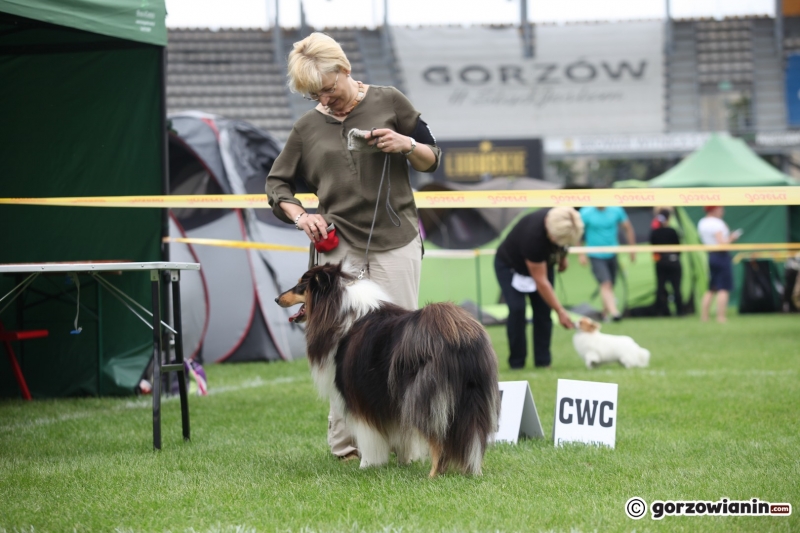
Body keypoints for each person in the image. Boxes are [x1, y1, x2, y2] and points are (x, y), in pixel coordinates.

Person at [265, 33, 441, 460]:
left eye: (328, 89)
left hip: (394, 242)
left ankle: (401, 446)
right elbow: (277, 184)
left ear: (344, 69)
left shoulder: (390, 100)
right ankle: (345, 447)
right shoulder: (307, 127)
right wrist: (300, 214)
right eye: (314, 95)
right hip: (337, 249)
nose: (324, 100)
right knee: (339, 349)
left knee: (398, 346)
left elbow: (433, 156)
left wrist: (407, 145)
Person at [494, 207, 585, 369]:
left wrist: (563, 258)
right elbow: (541, 281)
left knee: (543, 311)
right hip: (510, 266)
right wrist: (561, 311)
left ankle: (543, 362)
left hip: (543, 263)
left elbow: (563, 242)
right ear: (550, 232)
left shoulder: (563, 219)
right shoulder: (533, 237)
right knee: (517, 309)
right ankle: (517, 362)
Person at [578, 206, 636, 321]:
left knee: (610, 285)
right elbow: (578, 232)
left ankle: (604, 314)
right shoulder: (585, 212)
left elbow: (628, 228)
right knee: (606, 283)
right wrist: (581, 253)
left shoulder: (616, 210)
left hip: (613, 253)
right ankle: (615, 313)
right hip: (595, 254)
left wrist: (632, 248)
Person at [697, 206, 741, 323]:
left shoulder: (702, 222)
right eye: (721, 209)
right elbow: (722, 243)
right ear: (714, 209)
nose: (723, 211)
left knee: (711, 287)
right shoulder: (717, 223)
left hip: (711, 255)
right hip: (721, 256)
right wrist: (732, 238)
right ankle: (721, 317)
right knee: (723, 288)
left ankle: (704, 316)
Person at [649, 208, 683, 316]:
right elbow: (679, 248)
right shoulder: (672, 231)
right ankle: (680, 312)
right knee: (676, 288)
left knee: (660, 287)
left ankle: (661, 311)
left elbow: (653, 247)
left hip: (661, 262)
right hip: (674, 261)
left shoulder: (654, 232)